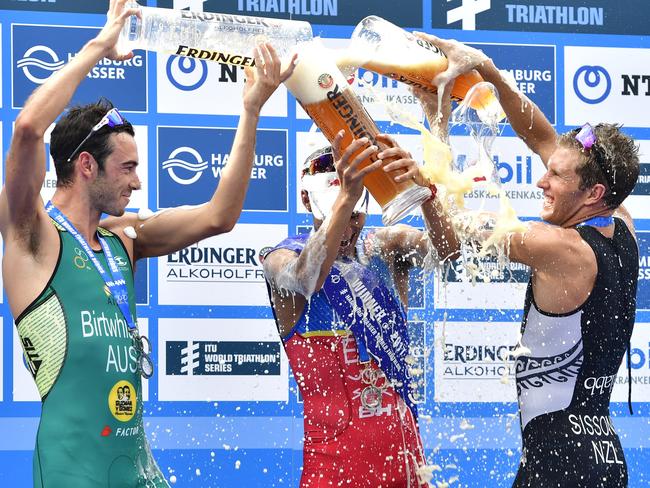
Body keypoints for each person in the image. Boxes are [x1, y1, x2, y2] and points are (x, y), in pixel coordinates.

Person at [1, 1, 295, 486]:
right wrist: (101, 45)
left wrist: (251, 109)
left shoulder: (124, 240)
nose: (137, 183)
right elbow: (29, 129)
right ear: (86, 166)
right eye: (128, 168)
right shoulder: (32, 235)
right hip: (72, 472)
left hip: (139, 470)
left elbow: (218, 217)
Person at [416, 33, 640, 487]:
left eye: (555, 176)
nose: (540, 181)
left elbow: (451, 227)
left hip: (559, 466)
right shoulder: (623, 223)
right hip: (604, 455)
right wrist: (487, 69)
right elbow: (540, 136)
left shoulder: (558, 247)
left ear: (593, 193)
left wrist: (434, 118)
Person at [262, 123, 460, 486]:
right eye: (341, 209)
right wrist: (345, 199)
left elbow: (449, 252)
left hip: (408, 466)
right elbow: (307, 278)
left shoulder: (386, 247)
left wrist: (425, 192)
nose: (350, 225)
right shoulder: (281, 258)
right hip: (334, 471)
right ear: (308, 200)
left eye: (357, 212)